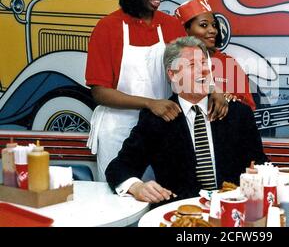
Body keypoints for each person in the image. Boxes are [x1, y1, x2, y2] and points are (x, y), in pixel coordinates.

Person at [85, 0, 228, 181]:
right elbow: (99, 92)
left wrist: (214, 90)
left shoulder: (171, 25)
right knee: (122, 190)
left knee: (161, 192)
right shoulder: (107, 28)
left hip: (163, 124)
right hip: (118, 128)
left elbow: (192, 65)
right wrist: (150, 103)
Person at [105, 36, 267, 203]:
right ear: (173, 74)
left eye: (204, 63)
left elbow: (259, 164)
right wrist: (137, 187)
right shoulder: (156, 119)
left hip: (232, 210)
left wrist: (258, 176)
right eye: (192, 65)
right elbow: (118, 167)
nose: (203, 70)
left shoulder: (238, 113)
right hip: (179, 214)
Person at [175, 0, 256, 110]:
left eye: (214, 25)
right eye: (203, 25)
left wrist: (232, 100)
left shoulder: (227, 63)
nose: (213, 30)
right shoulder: (177, 63)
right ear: (186, 30)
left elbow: (249, 107)